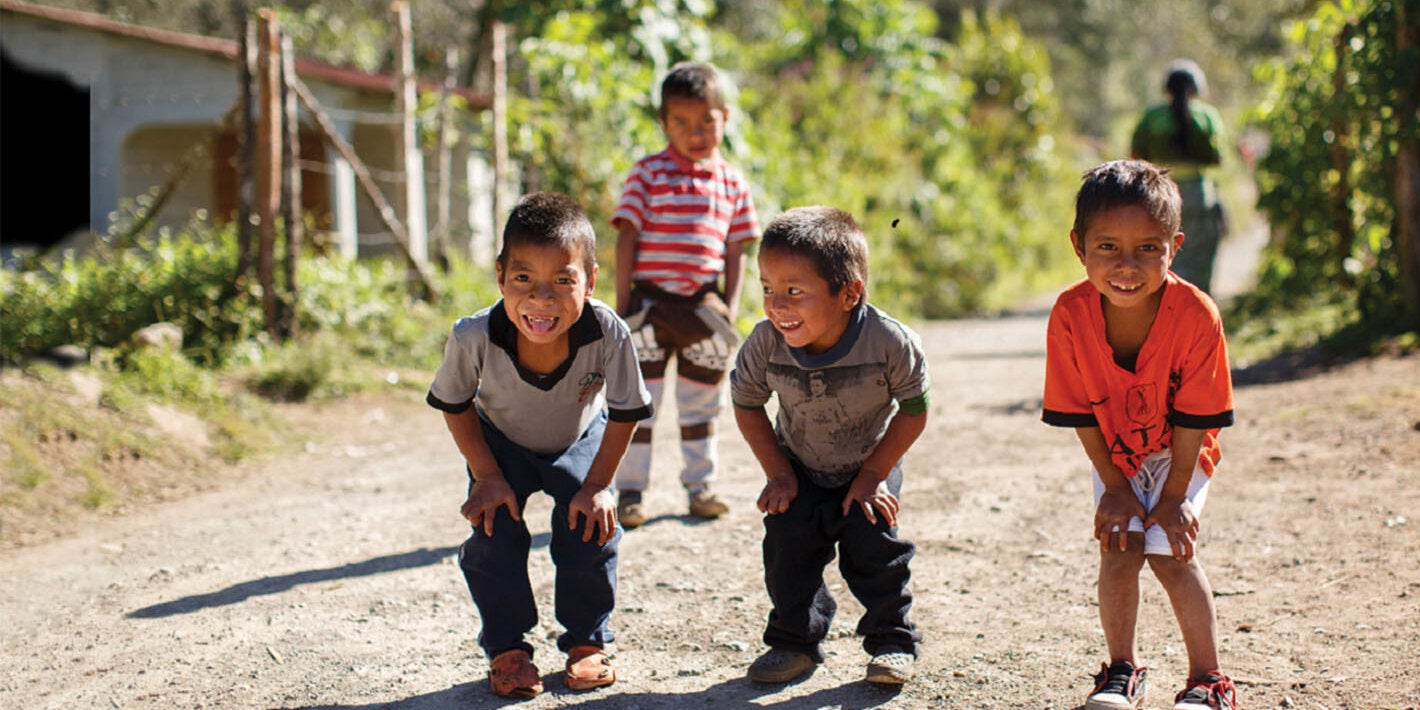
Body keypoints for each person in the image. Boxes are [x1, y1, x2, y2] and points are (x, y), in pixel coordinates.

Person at [426, 192, 653, 699]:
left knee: (590, 529)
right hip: (499, 446)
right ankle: (507, 649)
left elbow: (625, 412)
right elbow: (455, 403)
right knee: (494, 535)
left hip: (579, 439)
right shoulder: (474, 336)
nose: (542, 300)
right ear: (501, 275)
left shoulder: (606, 331)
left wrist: (597, 485)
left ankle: (586, 642)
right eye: (523, 278)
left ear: (590, 281)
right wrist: (486, 476)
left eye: (563, 281)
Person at [1042, 160, 1238, 710]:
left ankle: (1208, 681)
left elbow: (1200, 418)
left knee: (1171, 554)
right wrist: (1115, 484)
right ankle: (1121, 671)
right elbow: (1078, 410)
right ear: (1079, 246)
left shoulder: (1197, 315)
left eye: (1147, 248)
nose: (1127, 266)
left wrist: (1174, 497)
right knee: (1120, 548)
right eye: (1108, 247)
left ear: (1174, 245)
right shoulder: (1069, 314)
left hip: (1183, 449)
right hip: (1115, 454)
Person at [730, 206, 928, 686]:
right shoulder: (764, 344)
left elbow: (914, 411)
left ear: (849, 294)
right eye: (768, 289)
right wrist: (778, 473)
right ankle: (794, 643)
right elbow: (747, 404)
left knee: (874, 548)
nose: (777, 305)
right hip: (797, 464)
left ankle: (892, 642)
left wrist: (872, 476)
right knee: (787, 550)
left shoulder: (889, 342)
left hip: (869, 463)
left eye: (795, 292)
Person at [611, 60, 761, 528]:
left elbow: (737, 249)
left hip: (705, 309)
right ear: (664, 123)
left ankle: (701, 487)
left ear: (725, 118)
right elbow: (626, 238)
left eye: (706, 123)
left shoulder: (732, 182)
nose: (695, 133)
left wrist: (730, 309)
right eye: (681, 123)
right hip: (648, 308)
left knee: (702, 404)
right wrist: (621, 307)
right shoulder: (647, 174)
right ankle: (630, 493)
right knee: (639, 404)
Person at [1130, 59, 1227, 296]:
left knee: (1162, 254)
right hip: (1199, 195)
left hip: (1157, 196)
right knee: (1200, 258)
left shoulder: (1151, 117)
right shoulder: (1207, 117)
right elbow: (1216, 158)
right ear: (1197, 88)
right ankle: (1199, 310)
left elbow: (1135, 156)